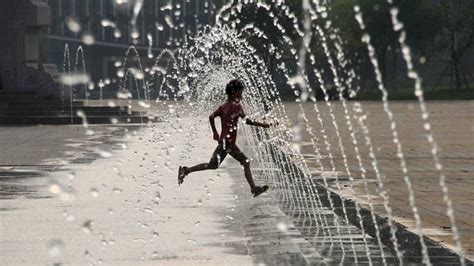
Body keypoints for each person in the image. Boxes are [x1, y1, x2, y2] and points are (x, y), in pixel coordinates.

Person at [178, 79, 271, 197]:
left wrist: (215, 133)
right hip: (228, 143)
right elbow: (247, 121)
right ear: (233, 92)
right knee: (245, 161)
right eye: (240, 92)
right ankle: (253, 188)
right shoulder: (237, 107)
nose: (241, 95)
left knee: (213, 165)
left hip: (225, 142)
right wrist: (264, 125)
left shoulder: (223, 106)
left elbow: (211, 117)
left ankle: (186, 171)